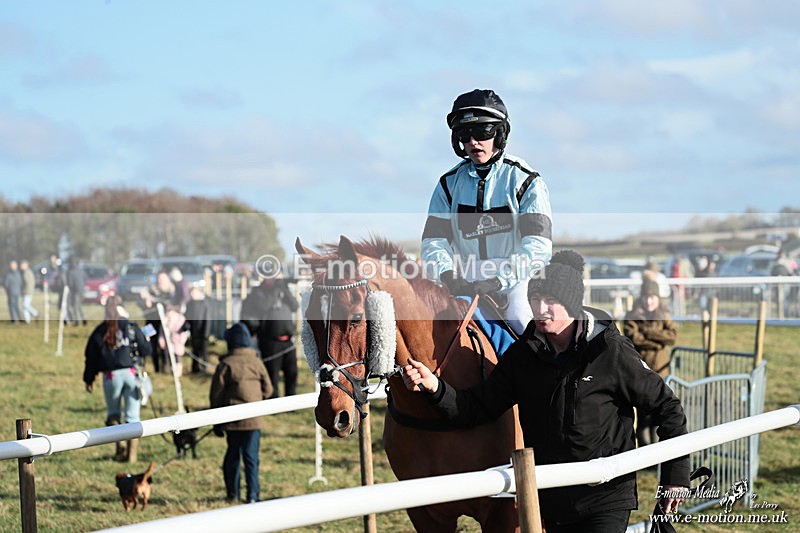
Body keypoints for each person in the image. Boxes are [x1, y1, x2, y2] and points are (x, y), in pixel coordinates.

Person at [402, 250, 689, 532]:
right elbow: (477, 407)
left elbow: (668, 408)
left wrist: (675, 477)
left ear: (572, 303)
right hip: (549, 501)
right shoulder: (523, 355)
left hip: (605, 499)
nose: (540, 309)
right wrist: (435, 387)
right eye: (535, 299)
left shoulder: (610, 351)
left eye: (550, 300)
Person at [421, 88, 553, 335]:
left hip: (517, 281)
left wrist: (498, 280)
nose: (473, 142)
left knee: (518, 317)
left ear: (500, 134)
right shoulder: (448, 184)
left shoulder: (526, 180)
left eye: (482, 132)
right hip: (464, 279)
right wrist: (447, 274)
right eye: (464, 134)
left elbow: (538, 246)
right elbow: (433, 243)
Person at [83, 296, 152, 462]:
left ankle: (119, 448)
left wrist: (89, 378)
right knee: (132, 417)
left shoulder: (100, 331)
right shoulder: (131, 327)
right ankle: (132, 456)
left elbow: (91, 357)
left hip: (110, 377)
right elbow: (145, 350)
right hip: (131, 375)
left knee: (113, 415)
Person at [210, 322, 273, 504]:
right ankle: (253, 495)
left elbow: (216, 395)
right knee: (251, 458)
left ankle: (233, 494)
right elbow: (268, 389)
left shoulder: (226, 364)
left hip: (233, 420)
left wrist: (217, 420)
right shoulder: (257, 362)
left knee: (233, 457)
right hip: (253, 421)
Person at [623, 278, 679, 446]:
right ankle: (646, 449)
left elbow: (672, 336)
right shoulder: (632, 316)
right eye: (646, 298)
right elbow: (634, 338)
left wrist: (648, 332)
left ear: (658, 299)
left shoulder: (663, 315)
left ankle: (658, 451)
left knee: (659, 413)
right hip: (641, 371)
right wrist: (658, 341)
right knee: (644, 413)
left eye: (652, 298)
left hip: (662, 372)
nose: (649, 301)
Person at [241, 275, 299, 398]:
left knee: (292, 373)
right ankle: (273, 402)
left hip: (288, 341)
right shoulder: (258, 292)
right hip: (270, 341)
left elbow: (295, 306)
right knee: (272, 375)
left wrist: (284, 288)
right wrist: (276, 289)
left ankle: (291, 401)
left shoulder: (283, 289)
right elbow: (263, 307)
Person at [185, 286, 211, 374]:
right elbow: (187, 317)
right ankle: (195, 368)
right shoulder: (189, 304)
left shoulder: (204, 304)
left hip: (203, 332)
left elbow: (207, 319)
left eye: (194, 292)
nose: (192, 294)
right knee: (195, 350)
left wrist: (206, 333)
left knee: (204, 351)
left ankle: (205, 368)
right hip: (194, 332)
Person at [65, 257, 87, 325]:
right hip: (82, 290)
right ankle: (84, 318)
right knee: (79, 306)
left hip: (75, 291)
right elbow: (85, 278)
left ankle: (76, 320)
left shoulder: (70, 272)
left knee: (75, 307)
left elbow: (70, 283)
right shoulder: (80, 270)